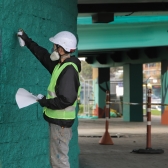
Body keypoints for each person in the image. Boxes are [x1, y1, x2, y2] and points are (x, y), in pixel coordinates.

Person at [18, 30, 81, 168]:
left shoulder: (68, 70)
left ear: (62, 49)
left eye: (55, 46)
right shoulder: (61, 66)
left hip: (61, 124)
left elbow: (66, 100)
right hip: (59, 122)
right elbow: (43, 56)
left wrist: (44, 101)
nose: (53, 48)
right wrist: (27, 40)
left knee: (59, 161)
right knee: (57, 160)